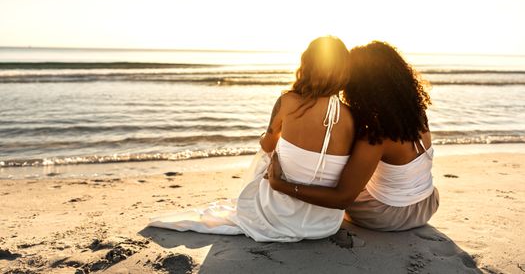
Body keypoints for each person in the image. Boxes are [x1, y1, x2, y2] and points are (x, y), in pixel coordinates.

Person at [149, 36, 355, 241]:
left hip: (277, 217)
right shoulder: (351, 116)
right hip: (324, 224)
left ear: (307, 64)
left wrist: (271, 137)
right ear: (344, 71)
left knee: (269, 152)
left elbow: (267, 145)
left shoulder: (288, 101)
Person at [267, 41, 439, 231]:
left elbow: (342, 199)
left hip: (388, 216)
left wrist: (280, 184)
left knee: (328, 189)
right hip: (427, 203)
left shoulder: (376, 134)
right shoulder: (416, 114)